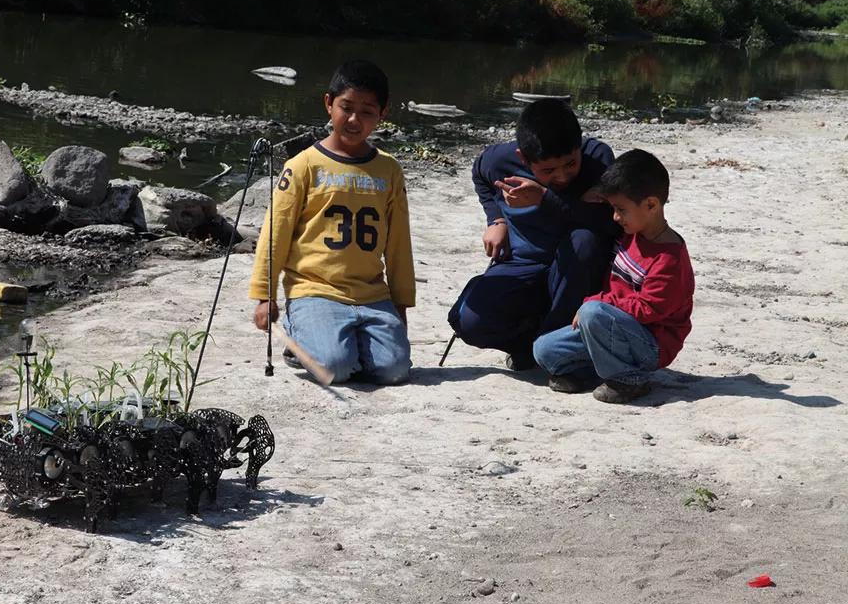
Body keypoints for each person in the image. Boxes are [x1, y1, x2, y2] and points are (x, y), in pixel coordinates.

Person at [248, 60, 415, 385]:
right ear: (329, 104)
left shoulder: (389, 170)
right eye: (346, 107)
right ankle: (301, 337)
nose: (354, 119)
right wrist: (264, 295)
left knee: (394, 370)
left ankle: (341, 339)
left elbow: (398, 241)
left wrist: (400, 302)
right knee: (335, 368)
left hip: (372, 295)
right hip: (314, 291)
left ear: (383, 114)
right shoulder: (303, 166)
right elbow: (275, 233)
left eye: (367, 111)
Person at [448, 99, 620, 370]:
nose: (563, 176)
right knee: (469, 321)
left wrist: (544, 197)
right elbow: (480, 172)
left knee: (583, 240)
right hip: (523, 263)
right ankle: (531, 346)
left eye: (570, 164)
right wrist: (496, 218)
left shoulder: (598, 159)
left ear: (579, 148)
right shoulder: (499, 160)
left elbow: (609, 222)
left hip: (579, 271)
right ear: (523, 159)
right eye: (548, 170)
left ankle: (557, 350)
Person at [532, 149, 695, 403]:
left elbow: (648, 308)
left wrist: (600, 303)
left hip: (650, 344)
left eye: (621, 209)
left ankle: (629, 380)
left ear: (651, 205)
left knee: (591, 312)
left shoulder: (669, 259)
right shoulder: (630, 233)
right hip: (610, 330)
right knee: (543, 349)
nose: (615, 217)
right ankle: (601, 370)